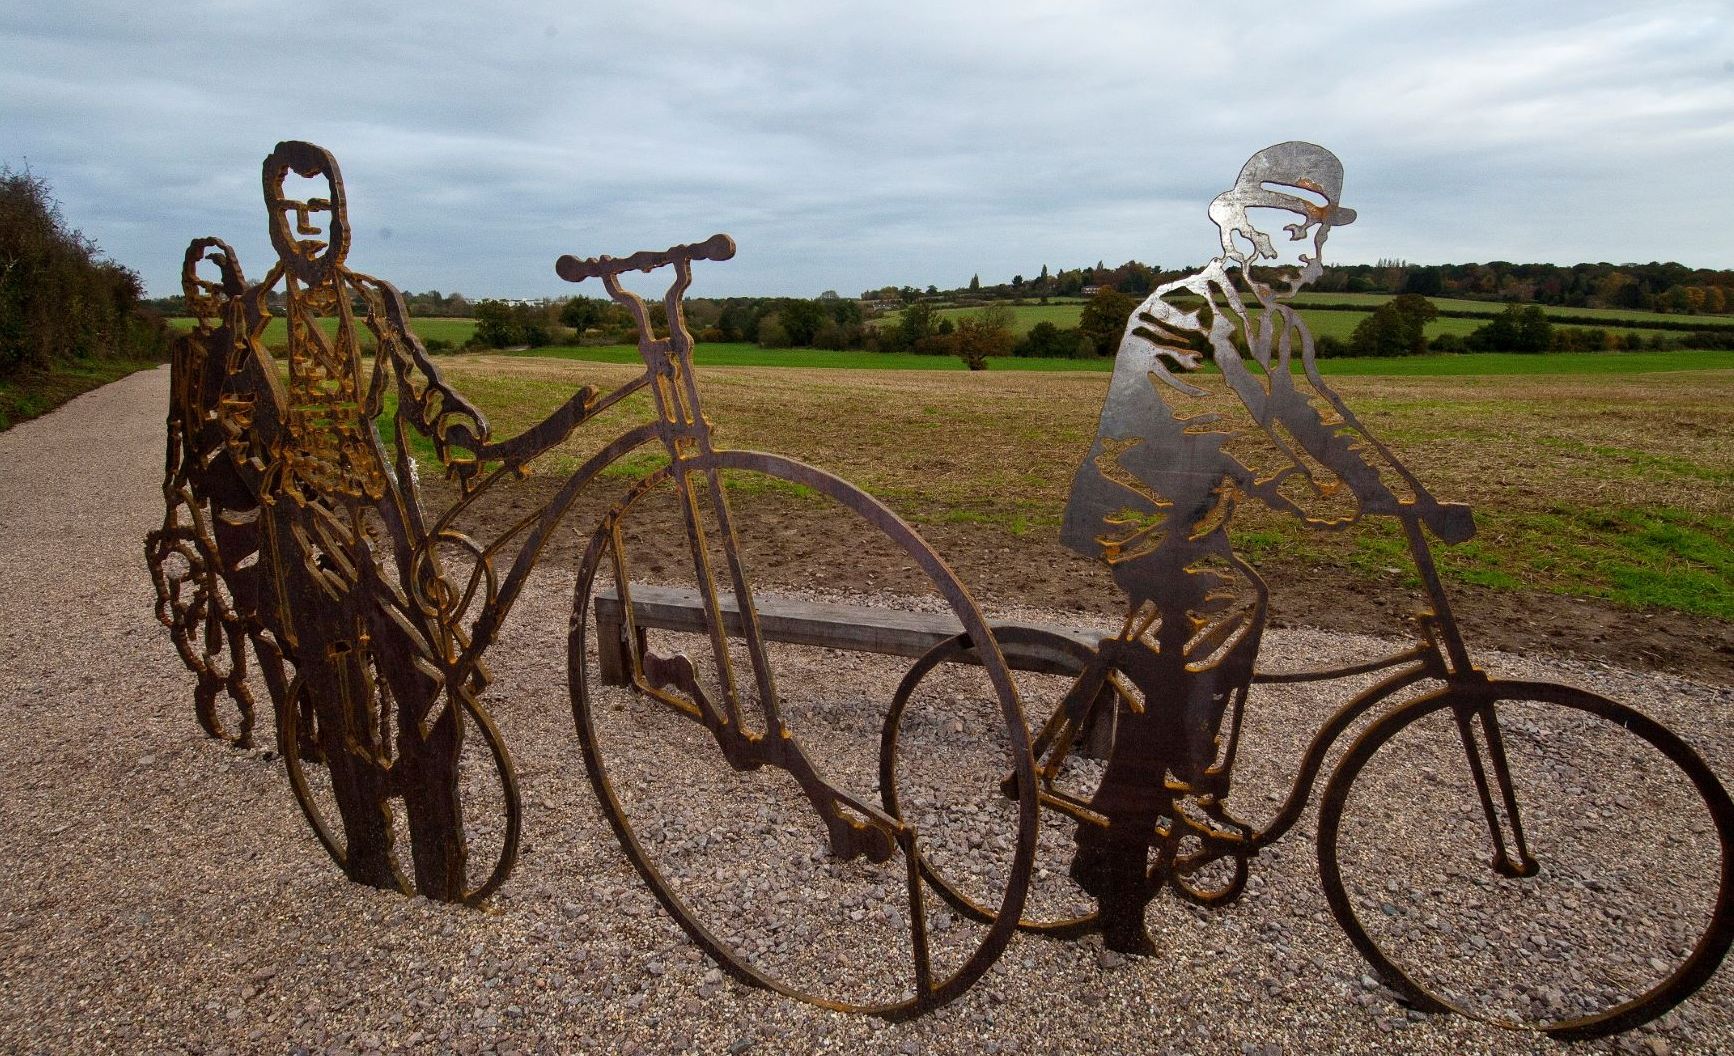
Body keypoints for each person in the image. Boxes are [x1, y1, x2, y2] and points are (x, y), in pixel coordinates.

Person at [1059, 141, 1473, 951]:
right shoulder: (1174, 312)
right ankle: (1116, 838)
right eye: (1294, 226)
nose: (1308, 249)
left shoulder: (1279, 329)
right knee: (1215, 609)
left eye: (1319, 233)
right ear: (1239, 223)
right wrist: (1291, 488)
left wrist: (1408, 498)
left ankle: (1179, 755)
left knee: (1237, 607)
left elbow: (1322, 421)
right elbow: (1203, 419)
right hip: (1133, 512)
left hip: (1197, 520)